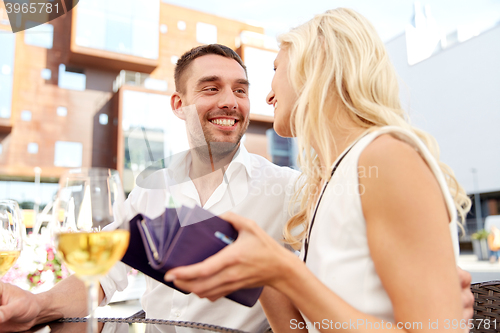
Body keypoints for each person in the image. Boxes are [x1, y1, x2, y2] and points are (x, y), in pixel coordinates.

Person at [0, 42, 473, 332]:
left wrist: (432, 302)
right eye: (211, 88)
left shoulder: (291, 190)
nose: (231, 101)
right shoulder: (149, 187)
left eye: (241, 89)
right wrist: (35, 304)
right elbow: (102, 276)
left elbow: (346, 273)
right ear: (178, 104)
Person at [165, 9, 475, 332]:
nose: (269, 95)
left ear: (312, 69)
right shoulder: (326, 183)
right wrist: (264, 275)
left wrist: (284, 270)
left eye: (275, 70)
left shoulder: (386, 157)